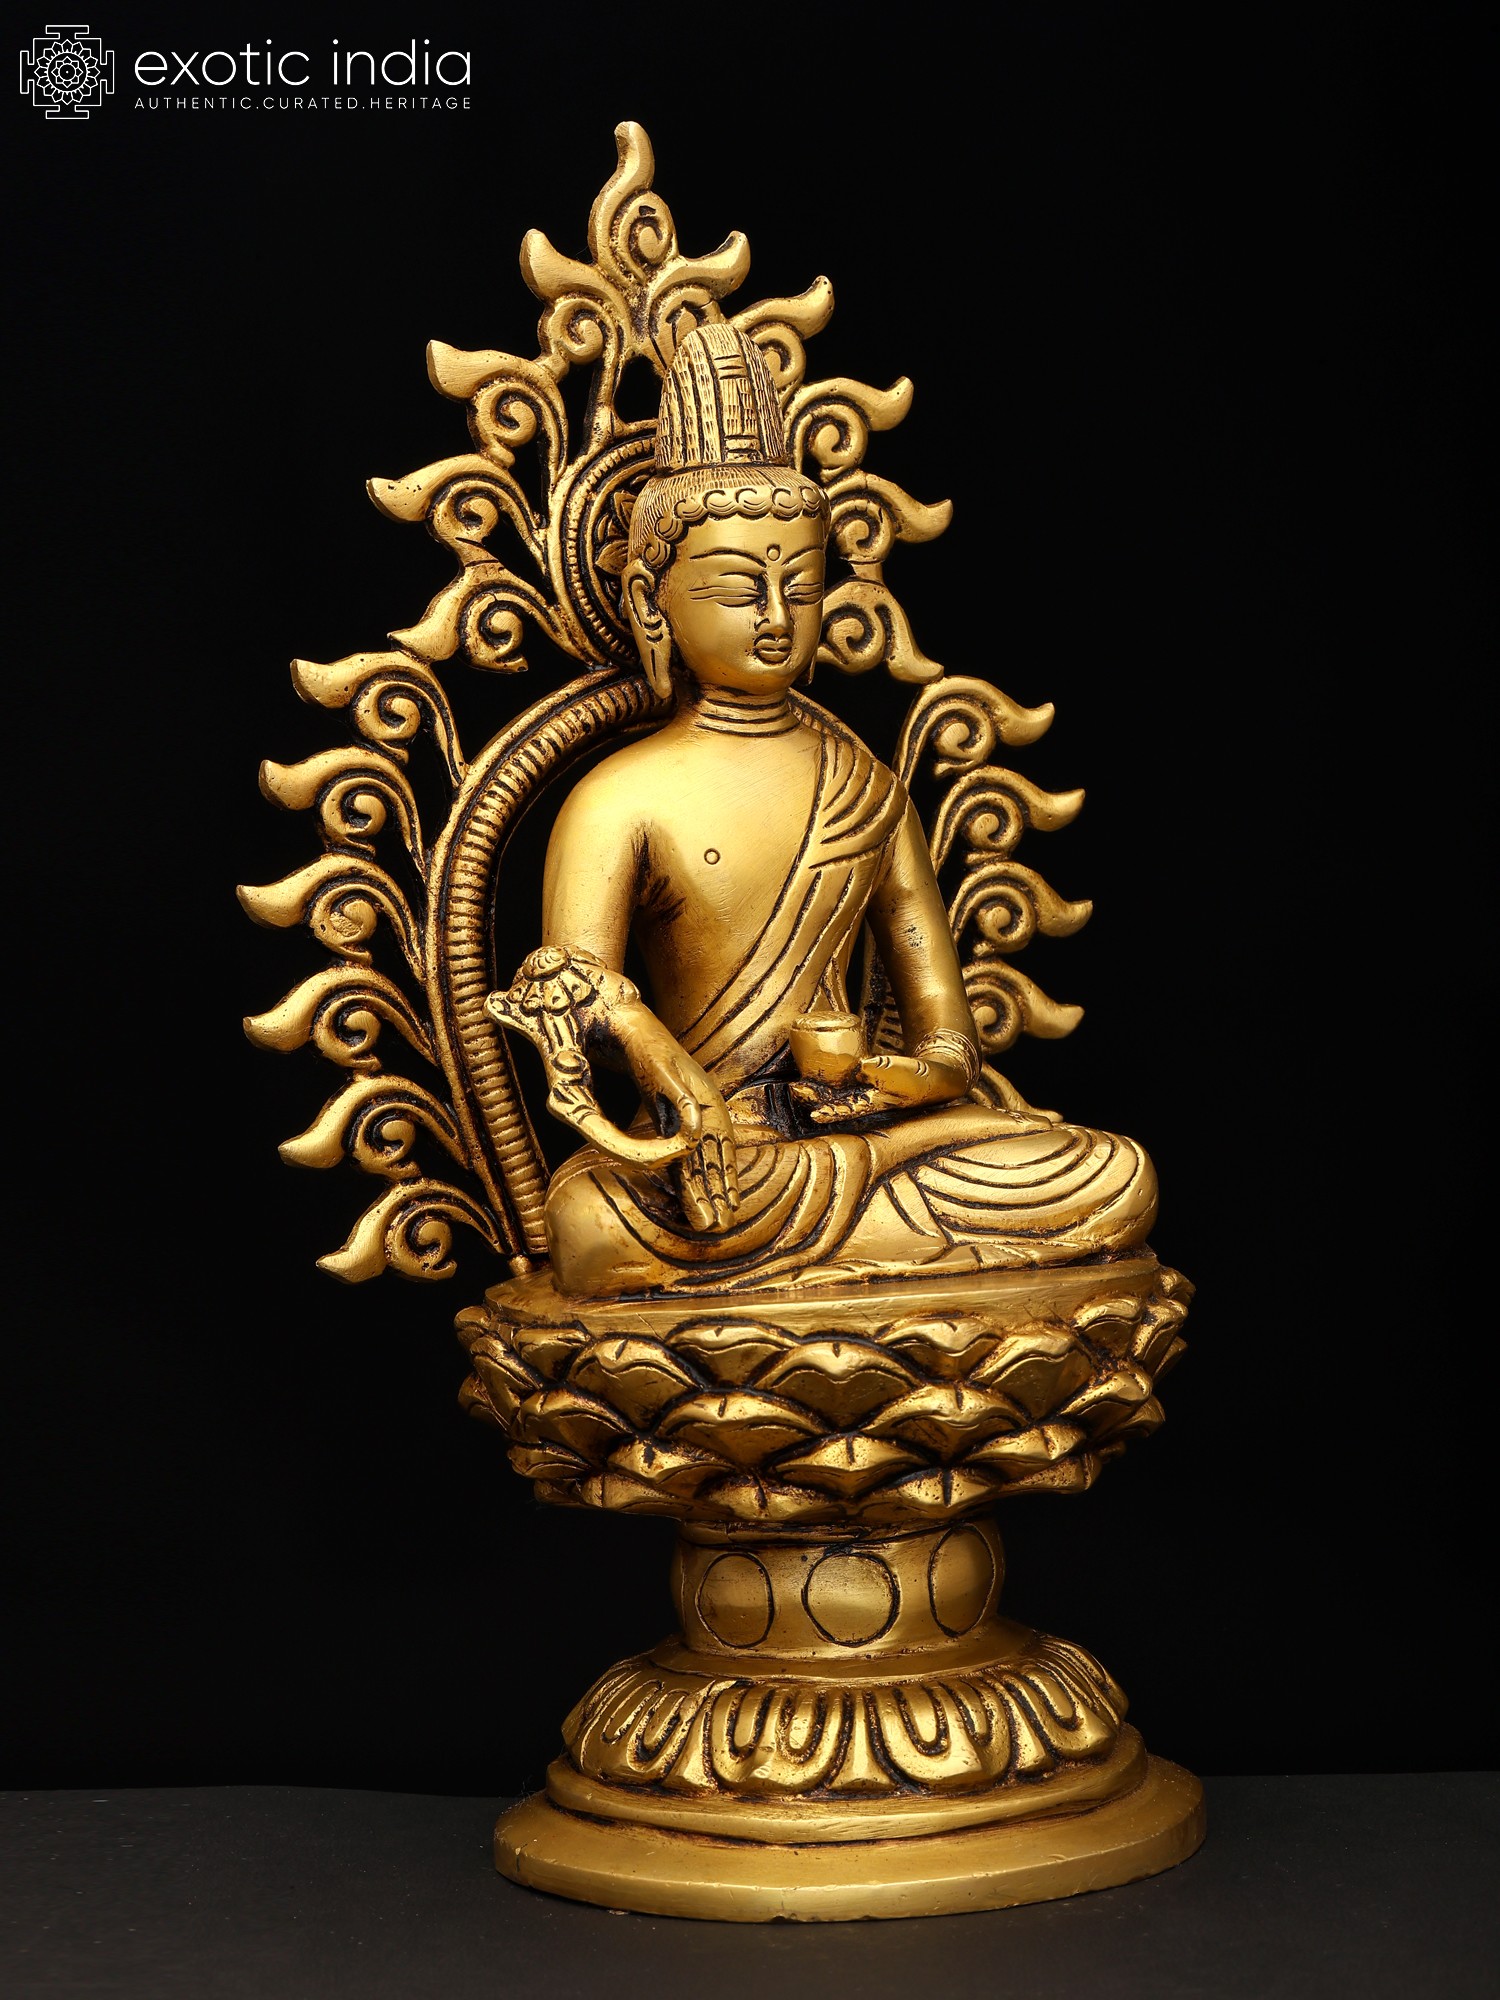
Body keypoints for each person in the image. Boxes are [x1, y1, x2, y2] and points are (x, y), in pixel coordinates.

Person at [506, 323, 1156, 1298]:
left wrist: (908, 1078)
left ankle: (816, 1255)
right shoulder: (619, 795)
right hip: (701, 1161)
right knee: (589, 1225)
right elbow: (566, 987)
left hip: (862, 1141)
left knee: (1110, 1174)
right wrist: (670, 1072)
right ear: (650, 600)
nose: (777, 617)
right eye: (739, 588)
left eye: (801, 587)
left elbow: (948, 1040)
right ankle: (844, 1253)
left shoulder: (866, 786)